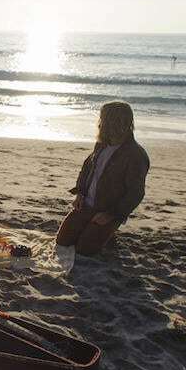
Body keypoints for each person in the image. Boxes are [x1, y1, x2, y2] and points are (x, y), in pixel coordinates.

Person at [56, 102, 149, 256]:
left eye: (104, 120)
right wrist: (80, 193)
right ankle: (96, 231)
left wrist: (111, 215)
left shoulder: (135, 155)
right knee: (63, 241)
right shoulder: (101, 145)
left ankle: (108, 232)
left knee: (84, 249)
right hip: (87, 204)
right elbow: (87, 169)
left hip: (108, 210)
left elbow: (136, 193)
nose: (100, 124)